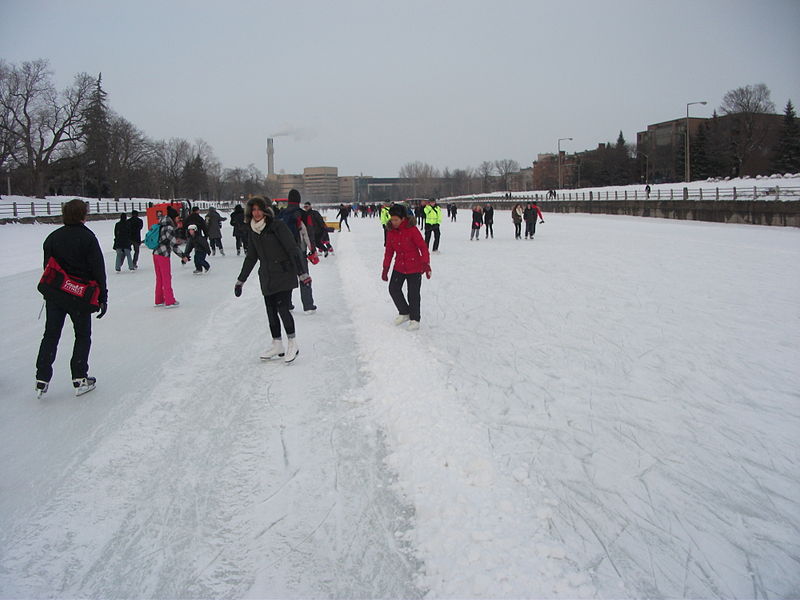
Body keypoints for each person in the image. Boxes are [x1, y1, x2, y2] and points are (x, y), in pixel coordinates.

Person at [35, 199, 108, 398]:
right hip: (79, 297)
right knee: (82, 336)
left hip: (56, 295)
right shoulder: (87, 238)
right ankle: (79, 378)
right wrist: (103, 296)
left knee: (51, 335)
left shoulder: (53, 237)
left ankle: (42, 378)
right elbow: (98, 269)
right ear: (82, 215)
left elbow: (47, 267)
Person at [235, 197, 310, 363]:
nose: (256, 213)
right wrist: (241, 280)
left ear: (265, 210)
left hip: (284, 273)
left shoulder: (277, 226)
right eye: (253, 210)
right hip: (267, 276)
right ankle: (277, 344)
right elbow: (251, 257)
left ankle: (292, 342)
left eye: (259, 209)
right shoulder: (253, 230)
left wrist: (302, 273)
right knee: (270, 311)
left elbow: (293, 249)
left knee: (283, 309)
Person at [382, 204, 431, 331]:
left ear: (403, 218)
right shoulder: (391, 231)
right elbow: (389, 251)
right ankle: (404, 312)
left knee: (413, 294)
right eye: (392, 219)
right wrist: (385, 268)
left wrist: (426, 264)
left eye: (396, 220)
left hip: (415, 266)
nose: (393, 222)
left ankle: (415, 319)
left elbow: (423, 247)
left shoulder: (412, 230)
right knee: (393, 288)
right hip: (399, 265)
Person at [278, 189, 318, 313]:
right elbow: (309, 232)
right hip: (299, 250)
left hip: (283, 250)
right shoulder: (303, 214)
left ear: (289, 200)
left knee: (287, 279)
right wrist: (312, 249)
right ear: (299, 200)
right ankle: (308, 305)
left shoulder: (281, 214)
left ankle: (287, 304)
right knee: (304, 276)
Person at [152, 206, 183, 307]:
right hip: (163, 254)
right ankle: (170, 300)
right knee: (166, 277)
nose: (178, 219)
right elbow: (172, 244)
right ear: (173, 217)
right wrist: (183, 255)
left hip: (155, 253)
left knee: (159, 278)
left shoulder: (160, 224)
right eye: (177, 217)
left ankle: (159, 299)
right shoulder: (169, 227)